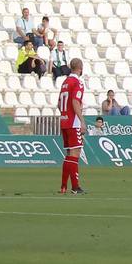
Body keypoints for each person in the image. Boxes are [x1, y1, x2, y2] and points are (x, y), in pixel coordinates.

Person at [57, 57, 86, 194]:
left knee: (69, 154)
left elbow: (59, 104)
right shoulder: (77, 83)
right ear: (80, 68)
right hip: (73, 122)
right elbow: (75, 102)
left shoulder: (65, 82)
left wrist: (65, 114)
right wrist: (82, 121)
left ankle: (63, 186)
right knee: (75, 153)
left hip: (64, 121)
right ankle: (75, 186)